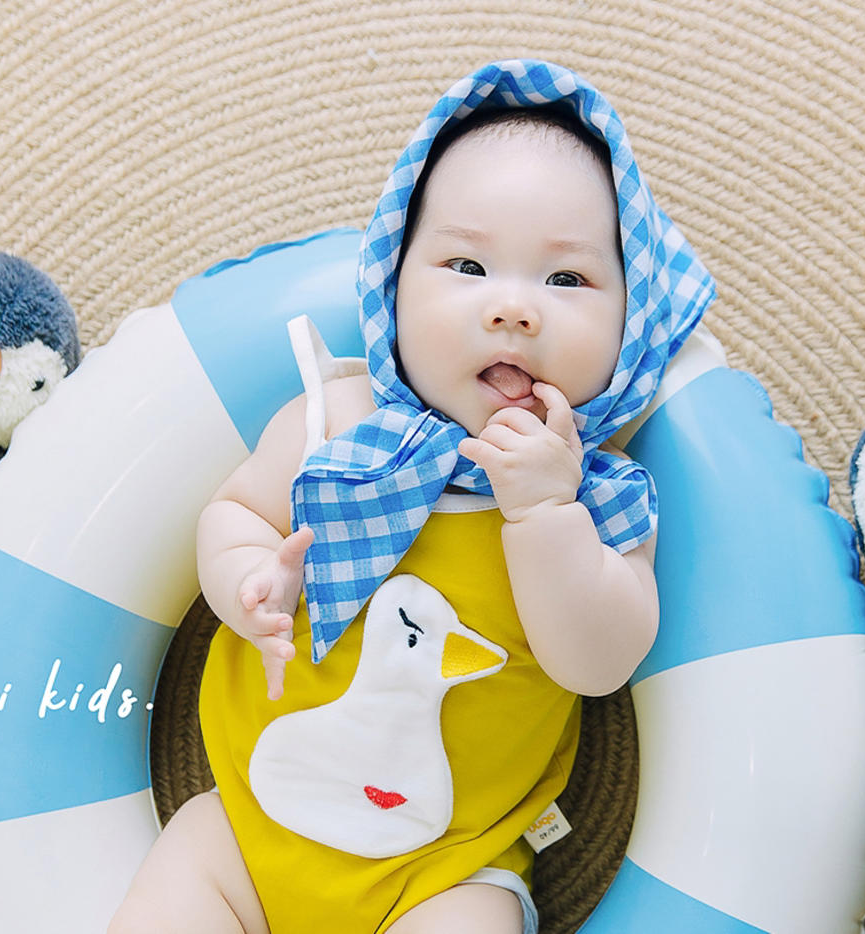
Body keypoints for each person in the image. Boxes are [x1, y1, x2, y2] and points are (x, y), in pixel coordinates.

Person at [110, 60, 716, 934]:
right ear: (393, 285)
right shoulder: (335, 421)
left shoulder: (601, 495)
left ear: (634, 322)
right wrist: (247, 579)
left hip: (450, 869)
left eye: (566, 281)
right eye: (467, 265)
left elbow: (597, 665)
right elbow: (236, 514)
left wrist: (546, 513)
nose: (512, 310)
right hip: (242, 826)